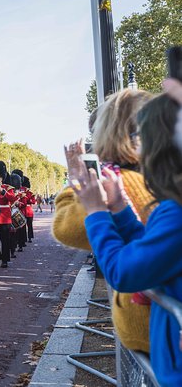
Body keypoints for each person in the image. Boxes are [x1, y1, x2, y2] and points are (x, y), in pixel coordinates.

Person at [72, 93, 182, 387]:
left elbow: (124, 271)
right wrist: (120, 210)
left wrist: (96, 212)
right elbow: (148, 247)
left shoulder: (176, 211)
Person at [53, 88, 154, 354]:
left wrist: (74, 178)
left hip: (152, 329)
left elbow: (66, 228)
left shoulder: (118, 182)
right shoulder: (161, 175)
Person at [0, 160, 17, 268]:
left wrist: (3, 192)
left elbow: (13, 198)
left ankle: (4, 259)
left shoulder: (7, 188)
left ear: (2, 177)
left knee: (4, 239)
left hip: (4, 216)